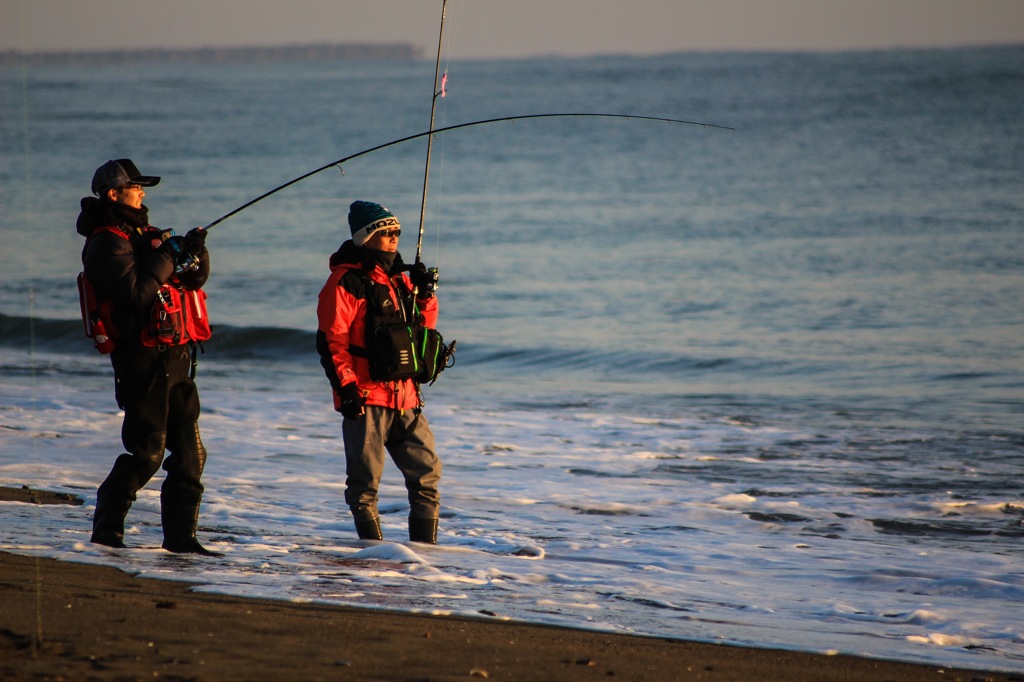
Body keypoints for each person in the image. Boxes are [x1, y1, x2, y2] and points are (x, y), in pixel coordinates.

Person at [76, 158, 219, 555]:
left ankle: (182, 541)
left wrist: (193, 252)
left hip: (177, 356)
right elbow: (135, 292)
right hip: (141, 360)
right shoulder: (105, 243)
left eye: (141, 186)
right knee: (147, 454)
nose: (142, 193)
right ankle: (106, 535)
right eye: (135, 186)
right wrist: (167, 255)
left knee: (191, 455)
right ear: (113, 194)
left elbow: (191, 279)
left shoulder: (146, 234)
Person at [316, 201, 443, 543]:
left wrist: (425, 295)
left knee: (427, 474)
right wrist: (347, 388)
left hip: (407, 399)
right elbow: (332, 341)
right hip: (367, 397)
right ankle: (372, 557)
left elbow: (422, 331)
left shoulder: (400, 280)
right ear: (365, 237)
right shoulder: (345, 281)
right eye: (385, 232)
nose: (393, 239)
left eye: (396, 232)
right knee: (364, 484)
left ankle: (424, 558)